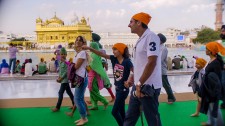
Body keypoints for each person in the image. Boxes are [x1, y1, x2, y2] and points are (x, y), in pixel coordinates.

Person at [124, 12, 162, 126]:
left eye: (131, 22)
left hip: (148, 86)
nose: (128, 25)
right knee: (129, 118)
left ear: (139, 22)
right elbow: (140, 63)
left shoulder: (151, 37)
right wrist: (133, 77)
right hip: (138, 84)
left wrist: (140, 83)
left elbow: (152, 62)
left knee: (152, 119)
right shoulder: (140, 39)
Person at [83, 42, 133, 126]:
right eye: (113, 49)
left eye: (115, 49)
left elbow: (134, 72)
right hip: (118, 89)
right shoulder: (114, 59)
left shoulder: (127, 62)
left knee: (114, 112)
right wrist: (90, 48)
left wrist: (130, 81)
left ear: (120, 51)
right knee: (121, 111)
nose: (113, 51)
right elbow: (100, 53)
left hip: (123, 90)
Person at [199, 42, 225, 126]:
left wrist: (214, 91)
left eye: (207, 49)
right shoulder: (212, 60)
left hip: (213, 89)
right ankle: (210, 122)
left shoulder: (216, 62)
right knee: (209, 105)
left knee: (214, 107)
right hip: (208, 88)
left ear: (211, 51)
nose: (205, 50)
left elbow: (217, 78)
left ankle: (219, 124)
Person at [92, 32, 115, 102]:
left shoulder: (96, 46)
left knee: (97, 84)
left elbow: (102, 59)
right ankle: (95, 98)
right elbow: (104, 59)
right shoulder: (100, 46)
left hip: (98, 69)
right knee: (102, 84)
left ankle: (97, 98)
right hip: (100, 68)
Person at [51, 47, 75, 112]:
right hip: (63, 80)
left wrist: (61, 78)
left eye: (64, 54)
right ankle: (75, 105)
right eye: (62, 54)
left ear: (66, 55)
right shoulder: (60, 62)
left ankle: (57, 107)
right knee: (69, 93)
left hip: (65, 80)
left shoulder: (66, 62)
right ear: (60, 55)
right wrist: (59, 78)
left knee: (60, 93)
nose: (63, 55)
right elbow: (61, 71)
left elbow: (66, 72)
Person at [87, 42, 109, 110]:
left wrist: (87, 66)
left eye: (90, 46)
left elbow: (92, 66)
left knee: (92, 90)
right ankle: (94, 105)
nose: (89, 47)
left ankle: (105, 101)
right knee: (94, 91)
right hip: (94, 75)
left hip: (93, 76)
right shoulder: (96, 54)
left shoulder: (93, 55)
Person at [73, 36, 89, 126]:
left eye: (80, 41)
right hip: (79, 77)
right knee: (80, 98)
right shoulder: (78, 53)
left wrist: (70, 66)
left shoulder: (82, 52)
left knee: (77, 99)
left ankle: (84, 118)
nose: (78, 42)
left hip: (81, 78)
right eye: (77, 40)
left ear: (83, 43)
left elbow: (76, 66)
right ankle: (83, 117)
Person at [158, 33, 176, 104]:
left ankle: (171, 98)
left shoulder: (164, 49)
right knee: (156, 85)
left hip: (161, 70)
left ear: (161, 41)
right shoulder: (156, 47)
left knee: (165, 85)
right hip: (155, 71)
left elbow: (160, 60)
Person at [219, 25, 225, 109]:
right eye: (221, 31)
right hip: (221, 68)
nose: (222, 32)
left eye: (223, 31)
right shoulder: (221, 43)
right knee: (222, 85)